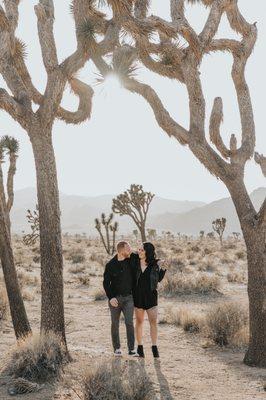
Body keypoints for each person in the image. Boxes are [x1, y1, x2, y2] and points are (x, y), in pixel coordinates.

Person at [103, 241, 139, 357]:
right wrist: (111, 297)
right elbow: (106, 283)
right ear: (121, 250)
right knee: (115, 323)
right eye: (128, 248)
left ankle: (131, 349)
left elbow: (144, 256)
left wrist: (158, 261)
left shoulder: (132, 259)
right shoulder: (110, 265)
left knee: (129, 322)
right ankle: (117, 348)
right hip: (115, 300)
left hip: (129, 298)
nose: (130, 250)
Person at [133, 242, 166, 358]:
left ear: (148, 252)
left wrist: (163, 268)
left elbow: (159, 279)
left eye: (142, 250)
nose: (139, 251)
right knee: (139, 322)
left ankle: (154, 346)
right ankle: (140, 346)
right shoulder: (135, 262)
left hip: (151, 297)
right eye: (139, 250)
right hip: (138, 297)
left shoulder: (155, 264)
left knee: (153, 322)